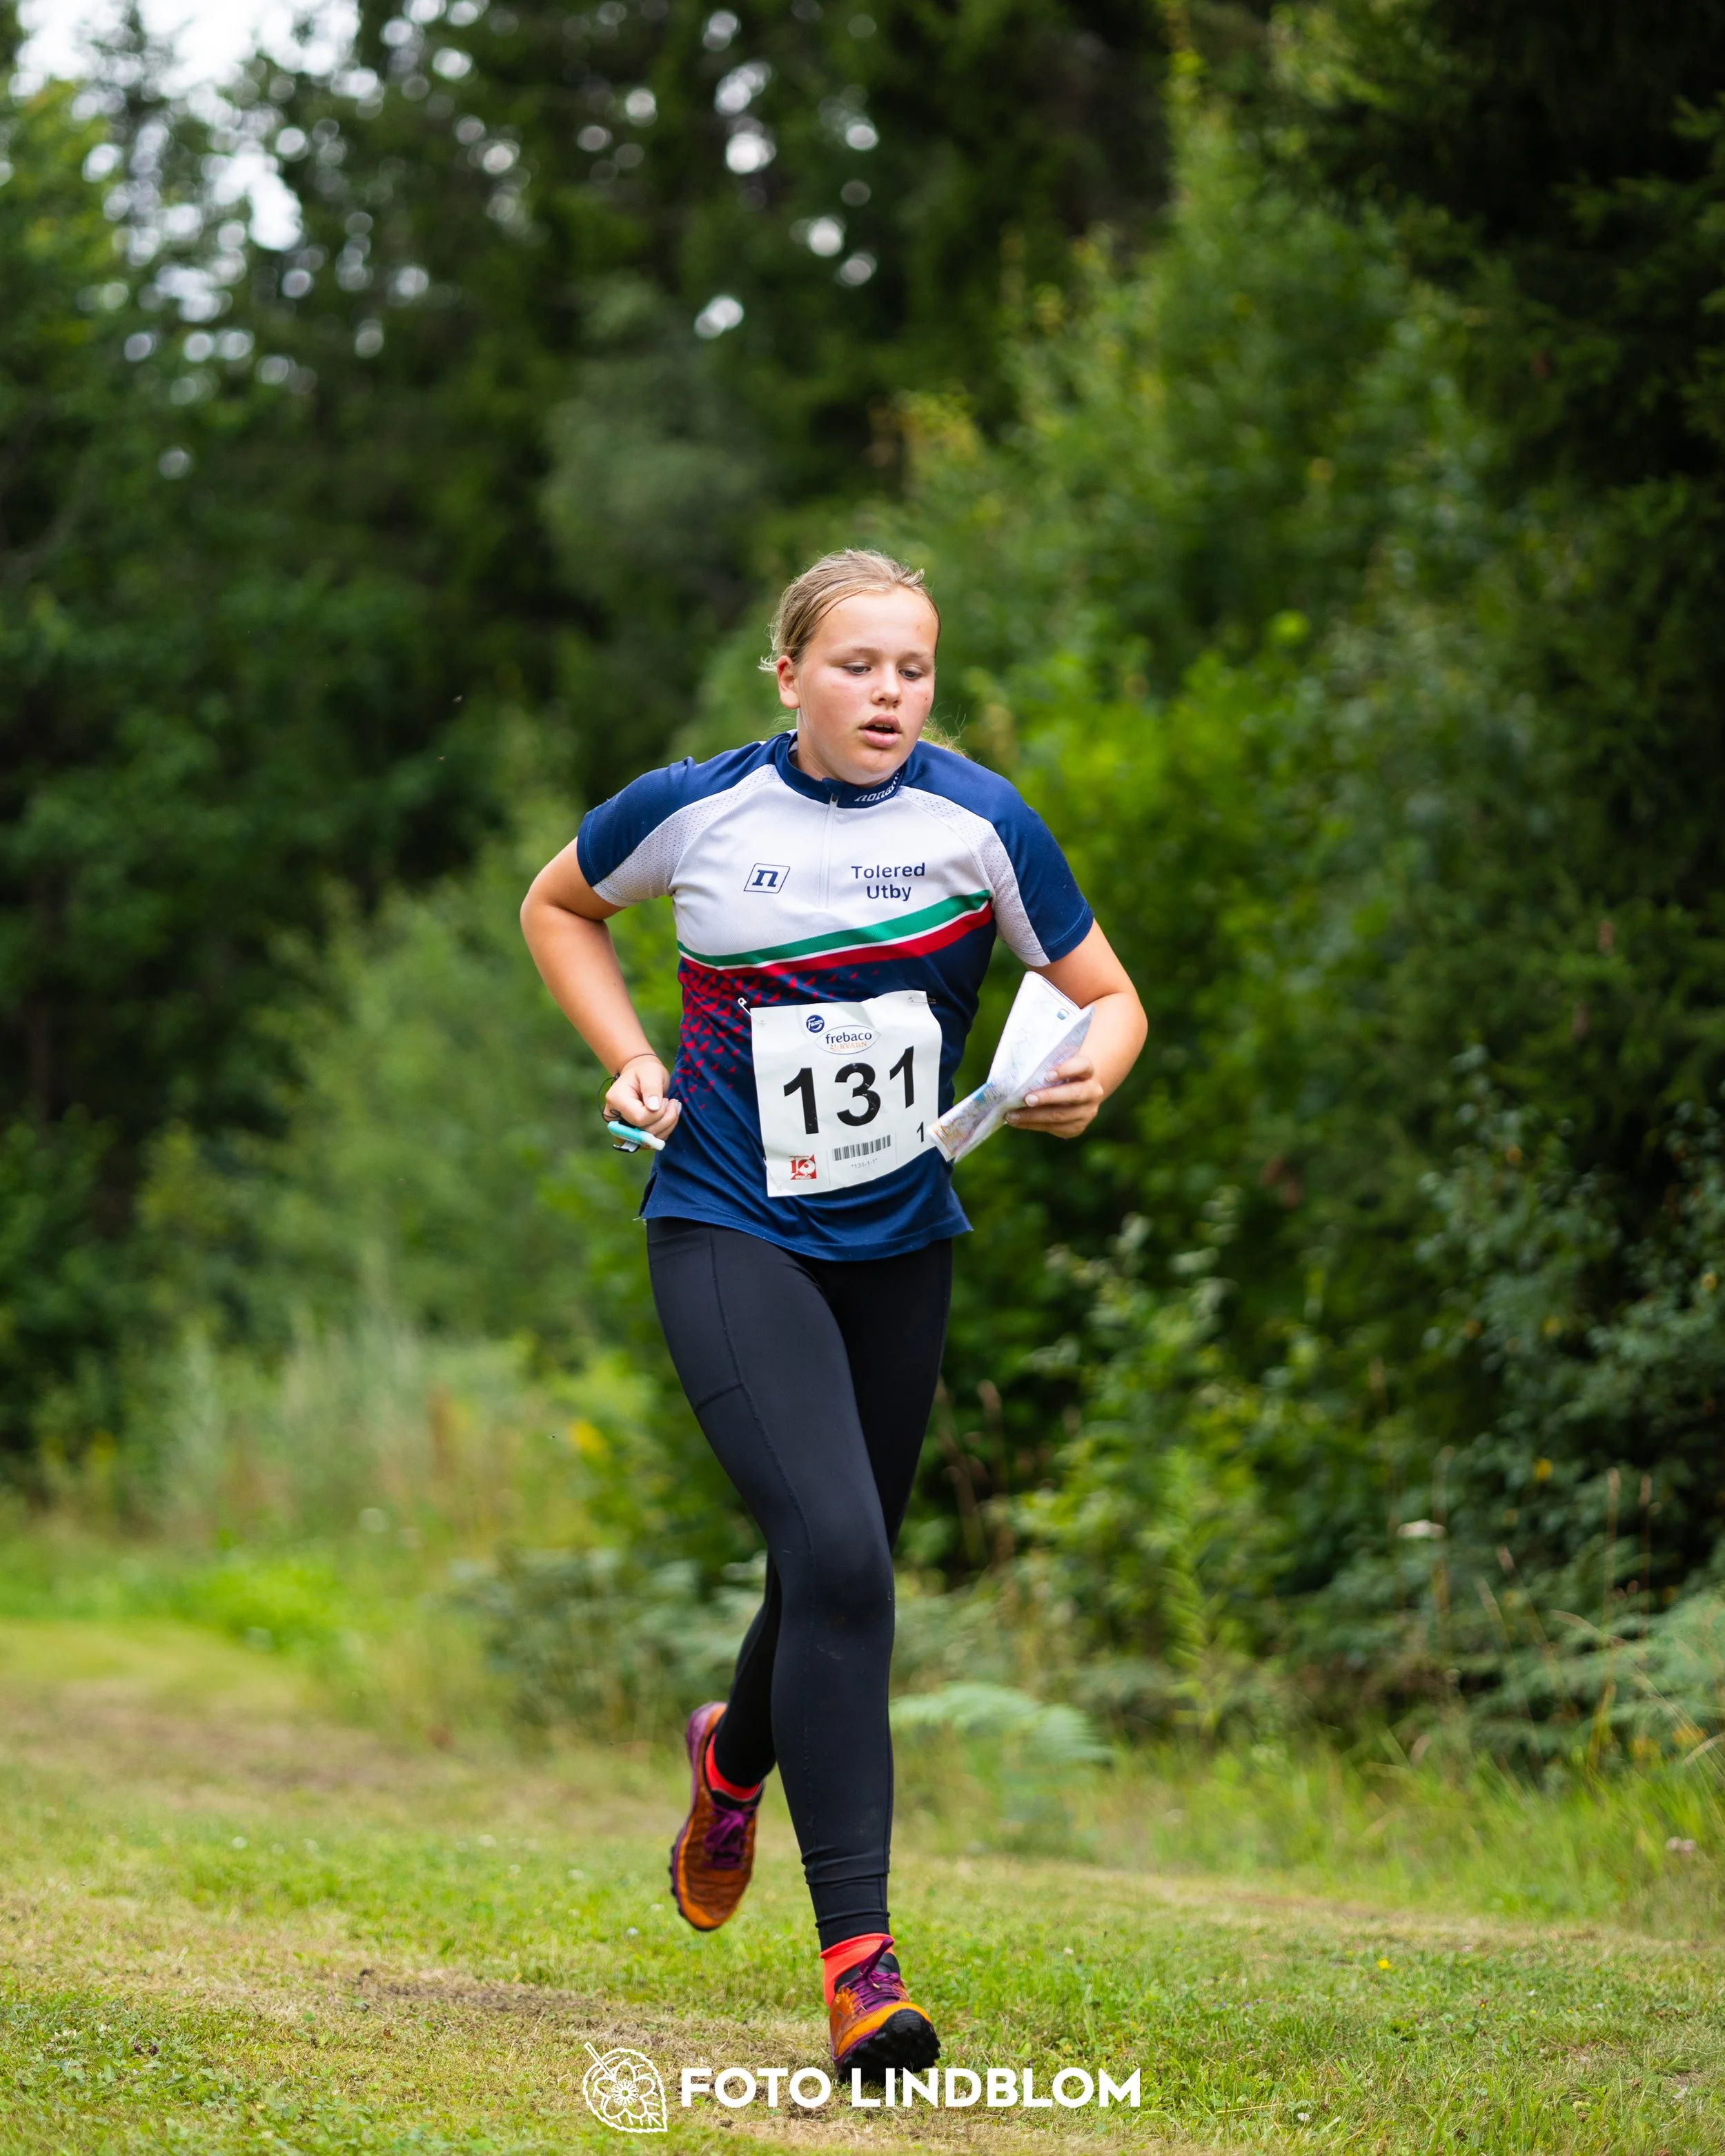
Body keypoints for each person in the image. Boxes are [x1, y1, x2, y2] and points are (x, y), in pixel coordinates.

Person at [520, 548, 1145, 2075]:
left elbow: (1109, 992)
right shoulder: (694, 807)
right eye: (857, 664)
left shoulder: (980, 820)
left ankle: (729, 1759)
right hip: (728, 1224)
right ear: (787, 672)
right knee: (845, 1561)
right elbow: (556, 904)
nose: (888, 693)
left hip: (896, 1238)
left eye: (912, 668)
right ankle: (861, 1970)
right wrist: (627, 1057)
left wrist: (1089, 1075)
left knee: (831, 1567)